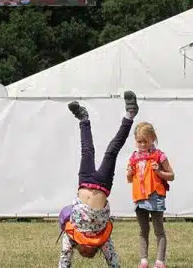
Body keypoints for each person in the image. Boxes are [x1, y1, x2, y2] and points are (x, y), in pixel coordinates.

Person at [57, 91, 140, 268]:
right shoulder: (103, 240)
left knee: (87, 149)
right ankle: (130, 114)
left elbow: (64, 259)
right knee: (112, 149)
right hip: (102, 185)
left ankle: (83, 119)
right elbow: (114, 261)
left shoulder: (71, 237)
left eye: (82, 252)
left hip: (85, 182)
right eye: (90, 253)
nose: (86, 251)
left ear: (78, 247)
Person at [126, 122, 174, 268]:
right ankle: (144, 260)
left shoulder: (159, 156)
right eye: (139, 141)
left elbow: (171, 176)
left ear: (152, 138)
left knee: (158, 229)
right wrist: (129, 172)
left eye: (145, 141)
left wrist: (159, 172)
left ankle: (160, 261)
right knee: (143, 230)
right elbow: (129, 179)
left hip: (155, 196)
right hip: (140, 197)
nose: (141, 144)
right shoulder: (134, 157)